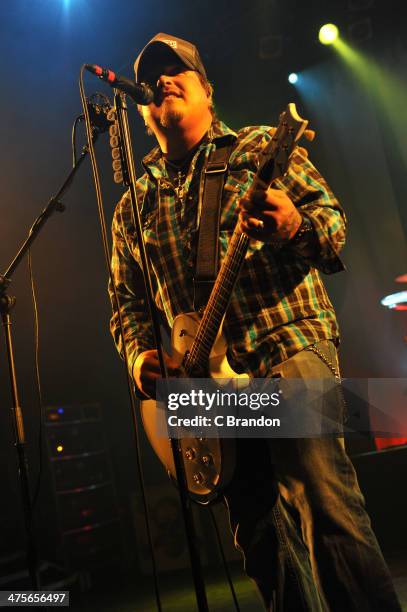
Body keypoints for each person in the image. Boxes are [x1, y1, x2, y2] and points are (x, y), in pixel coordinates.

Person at [109, 33, 401, 611]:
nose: (163, 78)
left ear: (207, 91)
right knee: (261, 537)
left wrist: (293, 224)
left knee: (323, 503)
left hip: (285, 347)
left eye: (177, 70)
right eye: (153, 76)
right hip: (203, 390)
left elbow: (332, 227)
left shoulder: (261, 147)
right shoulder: (131, 205)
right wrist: (143, 358)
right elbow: (127, 304)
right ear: (142, 110)